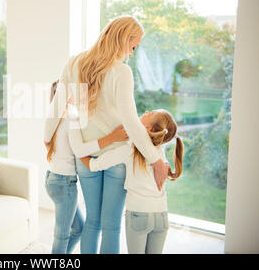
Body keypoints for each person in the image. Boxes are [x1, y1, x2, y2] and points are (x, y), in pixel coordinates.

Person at [44, 15, 170, 254]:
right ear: (123, 38)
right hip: (117, 156)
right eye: (133, 46)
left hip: (87, 157)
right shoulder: (121, 72)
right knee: (110, 226)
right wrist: (155, 160)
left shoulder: (73, 63)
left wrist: (47, 137)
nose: (132, 53)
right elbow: (132, 122)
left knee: (92, 222)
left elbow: (56, 107)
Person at [79, 109, 184, 254]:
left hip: (139, 215)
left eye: (151, 113)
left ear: (149, 129)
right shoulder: (159, 152)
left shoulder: (129, 149)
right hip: (162, 216)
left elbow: (94, 165)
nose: (146, 111)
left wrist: (79, 153)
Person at [44, 82, 128, 254]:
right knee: (62, 235)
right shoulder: (71, 118)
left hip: (52, 178)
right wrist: (113, 137)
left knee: (79, 228)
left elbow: (47, 143)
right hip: (64, 183)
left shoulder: (53, 119)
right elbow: (80, 150)